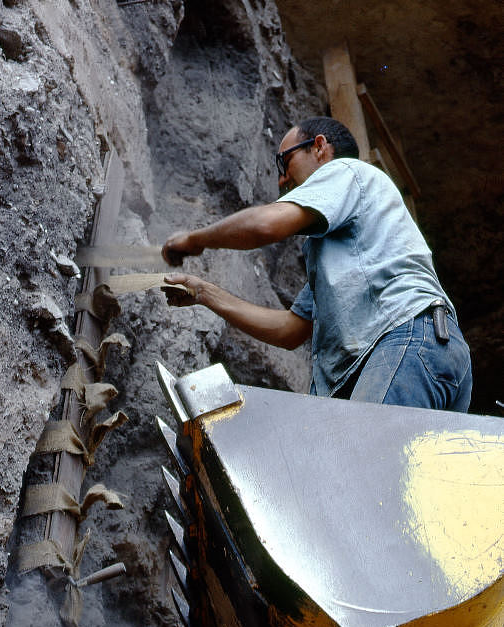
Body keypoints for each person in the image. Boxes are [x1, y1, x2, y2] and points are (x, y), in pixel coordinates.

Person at [161, 117, 472, 411]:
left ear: (320, 147)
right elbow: (290, 330)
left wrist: (193, 240)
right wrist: (204, 293)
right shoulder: (342, 251)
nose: (282, 180)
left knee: (364, 463)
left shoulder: (347, 172)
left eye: (285, 162)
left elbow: (265, 225)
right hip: (427, 351)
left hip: (405, 340)